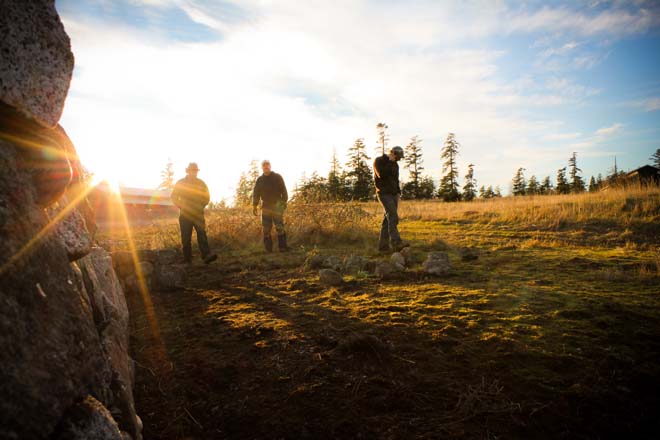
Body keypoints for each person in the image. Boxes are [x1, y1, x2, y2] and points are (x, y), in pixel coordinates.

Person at [171, 162, 217, 264]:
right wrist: (181, 206)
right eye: (192, 170)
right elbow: (173, 196)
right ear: (188, 171)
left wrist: (201, 206)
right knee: (186, 238)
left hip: (198, 214)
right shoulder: (180, 183)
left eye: (196, 171)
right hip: (185, 215)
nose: (194, 173)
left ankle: (206, 256)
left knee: (202, 235)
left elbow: (207, 197)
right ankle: (187, 260)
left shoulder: (201, 183)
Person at [374, 146, 409, 252]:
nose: (399, 159)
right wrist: (389, 162)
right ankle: (396, 242)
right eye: (398, 157)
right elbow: (381, 174)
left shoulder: (395, 165)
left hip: (394, 194)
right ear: (393, 153)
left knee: (387, 220)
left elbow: (395, 179)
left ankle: (383, 247)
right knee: (393, 216)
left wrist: (399, 192)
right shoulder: (379, 161)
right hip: (384, 194)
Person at [252, 160, 289, 252]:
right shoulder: (260, 180)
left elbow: (284, 191)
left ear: (270, 166)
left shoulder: (277, 177)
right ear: (262, 168)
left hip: (277, 207)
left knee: (280, 228)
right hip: (265, 208)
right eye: (264, 166)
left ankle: (283, 248)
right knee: (266, 230)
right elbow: (256, 193)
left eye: (267, 165)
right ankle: (268, 250)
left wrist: (283, 203)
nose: (266, 167)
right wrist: (254, 205)